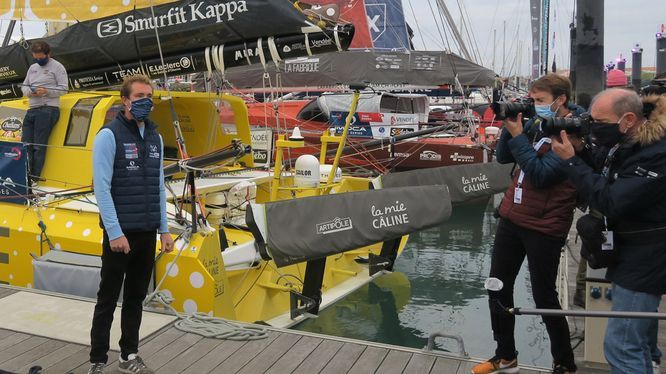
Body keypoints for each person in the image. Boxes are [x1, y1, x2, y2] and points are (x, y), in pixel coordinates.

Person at [472, 74, 582, 374]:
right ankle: (505, 354)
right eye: (532, 100)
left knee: (545, 295)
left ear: (560, 100)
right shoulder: (537, 124)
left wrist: (520, 136)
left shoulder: (572, 133)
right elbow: (504, 157)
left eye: (540, 101)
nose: (535, 106)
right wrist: (513, 125)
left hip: (545, 226)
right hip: (513, 217)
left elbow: (541, 175)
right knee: (496, 286)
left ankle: (564, 362)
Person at [552, 89, 666, 373]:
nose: (594, 127)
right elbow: (607, 169)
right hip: (631, 251)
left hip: (647, 256)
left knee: (622, 345)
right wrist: (582, 151)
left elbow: (612, 201)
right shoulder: (630, 141)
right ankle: (649, 359)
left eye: (600, 121)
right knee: (640, 334)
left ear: (628, 119)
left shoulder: (657, 154)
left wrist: (570, 161)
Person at [89, 74, 174, 374]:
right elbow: (101, 187)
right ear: (125, 100)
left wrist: (164, 229)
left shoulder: (156, 137)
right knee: (108, 299)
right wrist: (114, 232)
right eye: (139, 97)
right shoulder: (108, 136)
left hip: (147, 231)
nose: (145, 101)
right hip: (120, 236)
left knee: (136, 299)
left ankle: (129, 355)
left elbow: (158, 184)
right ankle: (98, 360)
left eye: (148, 96)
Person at [20, 40, 68, 184]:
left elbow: (64, 88)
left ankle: (33, 179)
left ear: (49, 54)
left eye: (41, 57)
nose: (39, 60)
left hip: (48, 109)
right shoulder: (32, 68)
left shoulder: (58, 67)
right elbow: (24, 87)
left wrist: (46, 91)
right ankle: (23, 176)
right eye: (36, 57)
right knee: (25, 145)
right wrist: (31, 92)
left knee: (39, 147)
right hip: (32, 109)